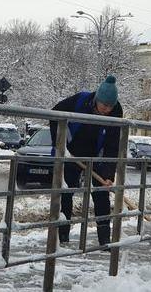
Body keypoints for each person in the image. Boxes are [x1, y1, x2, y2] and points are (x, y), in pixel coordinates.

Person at [49, 75, 122, 247]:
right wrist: (60, 146)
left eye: (110, 106)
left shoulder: (116, 112)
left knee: (101, 194)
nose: (107, 110)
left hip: (98, 156)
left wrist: (108, 174)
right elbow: (53, 115)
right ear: (97, 99)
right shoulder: (80, 101)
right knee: (67, 192)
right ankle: (63, 236)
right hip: (73, 152)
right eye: (104, 105)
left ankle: (105, 240)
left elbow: (112, 146)